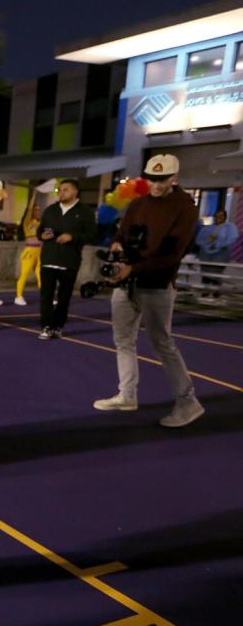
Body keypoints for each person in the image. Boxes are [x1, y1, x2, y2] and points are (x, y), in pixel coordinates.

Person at [93, 154, 204, 428]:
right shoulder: (138, 204)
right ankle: (127, 395)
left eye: (161, 179)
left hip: (157, 284)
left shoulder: (185, 208)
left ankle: (188, 402)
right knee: (123, 340)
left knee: (162, 343)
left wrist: (133, 269)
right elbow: (121, 233)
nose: (155, 184)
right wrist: (118, 247)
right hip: (127, 281)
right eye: (151, 178)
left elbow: (171, 255)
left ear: (174, 179)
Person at [37, 179, 96, 339]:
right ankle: (46, 326)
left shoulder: (85, 212)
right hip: (48, 259)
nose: (61, 193)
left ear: (75, 192)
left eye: (65, 190)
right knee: (46, 296)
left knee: (64, 297)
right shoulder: (50, 210)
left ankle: (58, 326)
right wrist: (41, 235)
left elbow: (92, 235)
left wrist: (72, 237)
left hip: (69, 261)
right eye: (60, 190)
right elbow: (40, 230)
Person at [195, 209, 239, 299]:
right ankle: (205, 291)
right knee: (206, 273)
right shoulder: (207, 228)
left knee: (216, 273)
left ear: (225, 217)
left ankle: (216, 293)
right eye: (216, 216)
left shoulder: (229, 227)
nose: (218, 218)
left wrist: (217, 245)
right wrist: (207, 244)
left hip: (221, 254)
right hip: (205, 254)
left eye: (221, 216)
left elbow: (231, 239)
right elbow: (198, 240)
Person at [14, 192, 42, 306]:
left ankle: (46, 297)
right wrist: (34, 195)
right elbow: (29, 209)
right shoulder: (27, 222)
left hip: (39, 252)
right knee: (24, 274)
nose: (38, 211)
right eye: (36, 209)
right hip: (29, 251)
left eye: (39, 210)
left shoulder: (40, 223)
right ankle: (18, 296)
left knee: (41, 275)